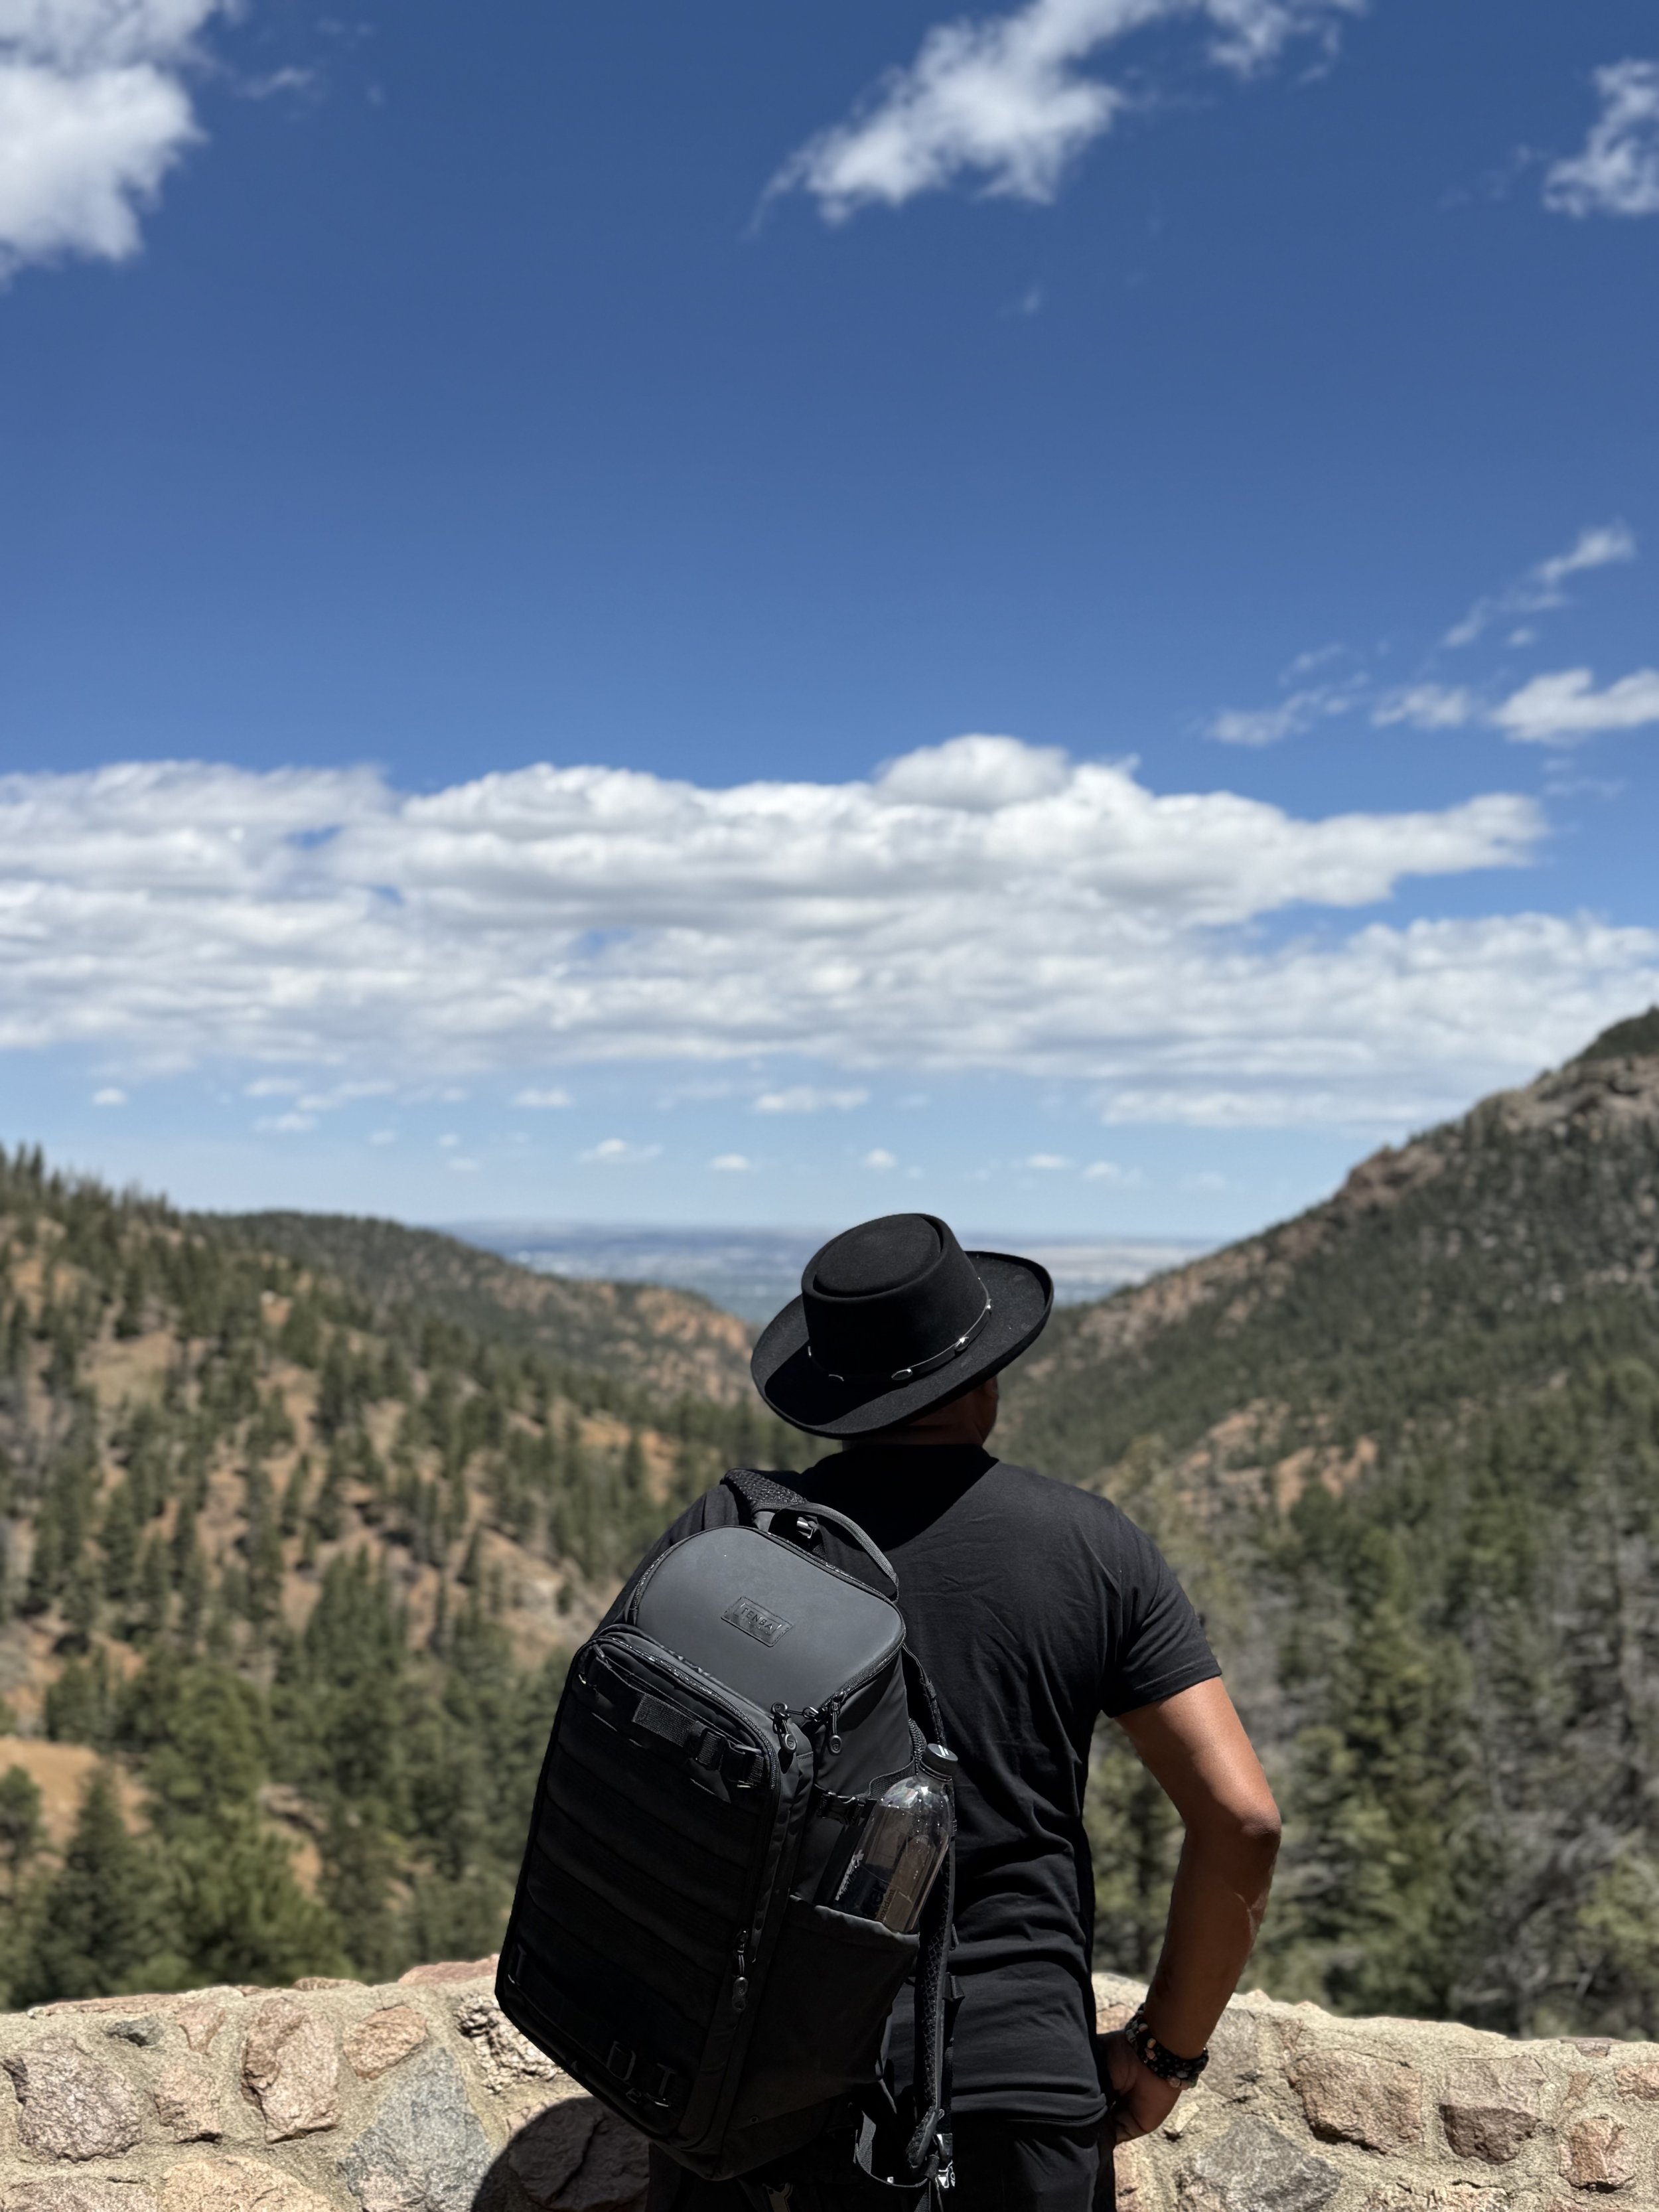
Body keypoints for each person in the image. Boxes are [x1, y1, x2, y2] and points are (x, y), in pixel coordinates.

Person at [633, 1213, 1281, 2212]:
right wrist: (1164, 2051)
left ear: (834, 1395)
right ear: (984, 1376)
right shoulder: (1092, 1548)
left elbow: (627, 1785)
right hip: (1013, 2100)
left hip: (747, 2097)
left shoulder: (732, 1536)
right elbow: (1241, 1818)